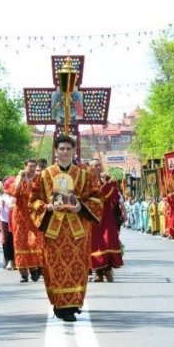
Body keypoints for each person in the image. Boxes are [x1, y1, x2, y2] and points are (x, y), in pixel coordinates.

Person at [29, 134, 102, 322]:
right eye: (61, 148)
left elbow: (96, 197)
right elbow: (33, 200)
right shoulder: (44, 175)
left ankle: (74, 304)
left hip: (78, 229)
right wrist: (47, 207)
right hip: (54, 229)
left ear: (73, 151)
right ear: (55, 151)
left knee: (78, 266)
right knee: (55, 267)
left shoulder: (85, 175)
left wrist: (80, 206)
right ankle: (60, 305)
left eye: (68, 149)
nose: (64, 152)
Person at [12, 159, 44, 282]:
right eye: (30, 166)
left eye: (34, 166)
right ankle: (23, 273)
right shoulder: (19, 179)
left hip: (33, 215)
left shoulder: (38, 180)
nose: (32, 169)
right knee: (20, 243)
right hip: (20, 216)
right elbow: (14, 192)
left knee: (33, 242)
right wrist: (20, 178)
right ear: (25, 167)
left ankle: (34, 268)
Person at [90, 172, 124, 282]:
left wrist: (108, 184)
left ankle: (108, 270)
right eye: (94, 166)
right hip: (93, 220)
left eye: (98, 165)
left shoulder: (109, 185)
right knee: (96, 246)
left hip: (107, 219)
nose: (96, 168)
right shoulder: (88, 184)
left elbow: (115, 199)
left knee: (108, 242)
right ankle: (98, 273)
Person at [0, 180, 15, 270]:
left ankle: (15, 260)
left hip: (15, 220)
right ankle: (9, 260)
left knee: (15, 240)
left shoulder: (16, 196)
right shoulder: (2, 197)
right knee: (7, 240)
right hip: (5, 220)